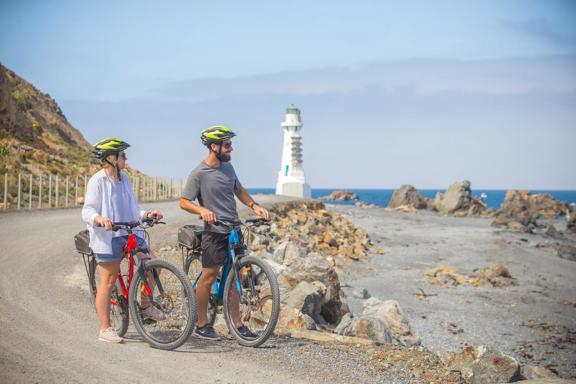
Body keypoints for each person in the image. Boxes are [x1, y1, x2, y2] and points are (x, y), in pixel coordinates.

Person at [179, 125, 270, 340]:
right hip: (214, 231)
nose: (231, 149)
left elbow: (238, 189)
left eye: (230, 144)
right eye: (227, 145)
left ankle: (236, 325)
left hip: (234, 228)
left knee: (235, 276)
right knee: (209, 276)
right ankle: (202, 325)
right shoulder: (199, 173)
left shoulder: (228, 169)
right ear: (214, 146)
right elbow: (184, 202)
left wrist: (254, 205)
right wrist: (202, 210)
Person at [82, 137, 164, 343]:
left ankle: (145, 306)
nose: (126, 158)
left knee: (153, 266)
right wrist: (99, 218)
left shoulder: (125, 179)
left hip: (130, 232)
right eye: (122, 155)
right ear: (111, 159)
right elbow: (88, 210)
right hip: (109, 237)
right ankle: (105, 329)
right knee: (108, 282)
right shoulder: (97, 181)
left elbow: (134, 208)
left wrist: (147, 214)